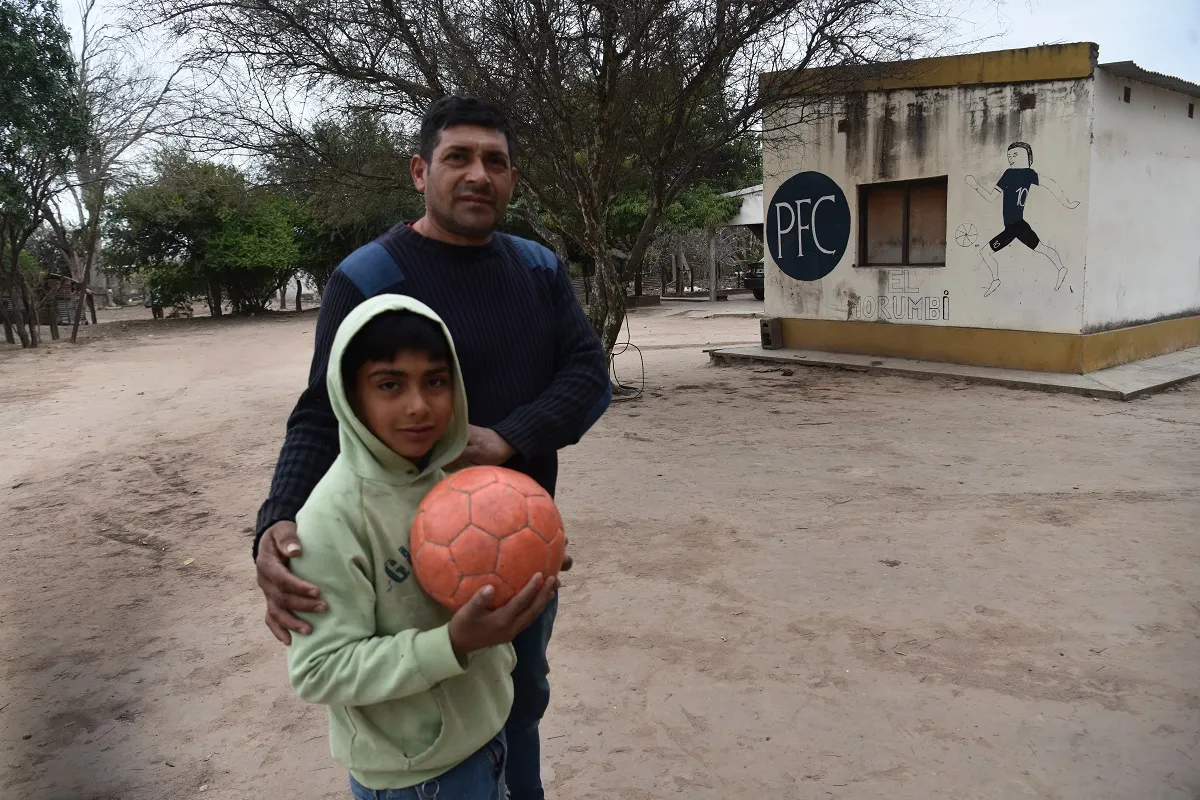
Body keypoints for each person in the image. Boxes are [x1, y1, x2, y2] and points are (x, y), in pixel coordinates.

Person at [254, 94, 611, 800]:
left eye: (496, 162)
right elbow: (323, 410)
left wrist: (510, 437)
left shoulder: (537, 269)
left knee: (519, 699)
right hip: (403, 567)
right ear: (420, 170)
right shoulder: (367, 277)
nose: (478, 174)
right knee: (427, 716)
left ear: (512, 180)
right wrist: (277, 518)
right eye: (459, 157)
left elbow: (587, 373)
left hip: (516, 549)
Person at [287, 294, 559, 798]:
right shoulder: (330, 519)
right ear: (349, 394)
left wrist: (527, 557)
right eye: (390, 385)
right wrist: (450, 644)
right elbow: (318, 670)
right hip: (415, 773)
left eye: (435, 381)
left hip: (484, 733)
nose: (418, 405)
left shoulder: (455, 482)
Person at [965, 141, 1079, 297]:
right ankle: (996, 280)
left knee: (1040, 248)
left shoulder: (1028, 174)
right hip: (1011, 228)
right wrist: (975, 185)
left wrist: (1067, 203)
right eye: (1009, 156)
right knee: (988, 252)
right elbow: (991, 197)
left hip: (1017, 226)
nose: (1011, 158)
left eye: (1015, 154)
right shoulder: (1008, 174)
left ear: (1027, 156)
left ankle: (1060, 268)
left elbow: (1050, 184)